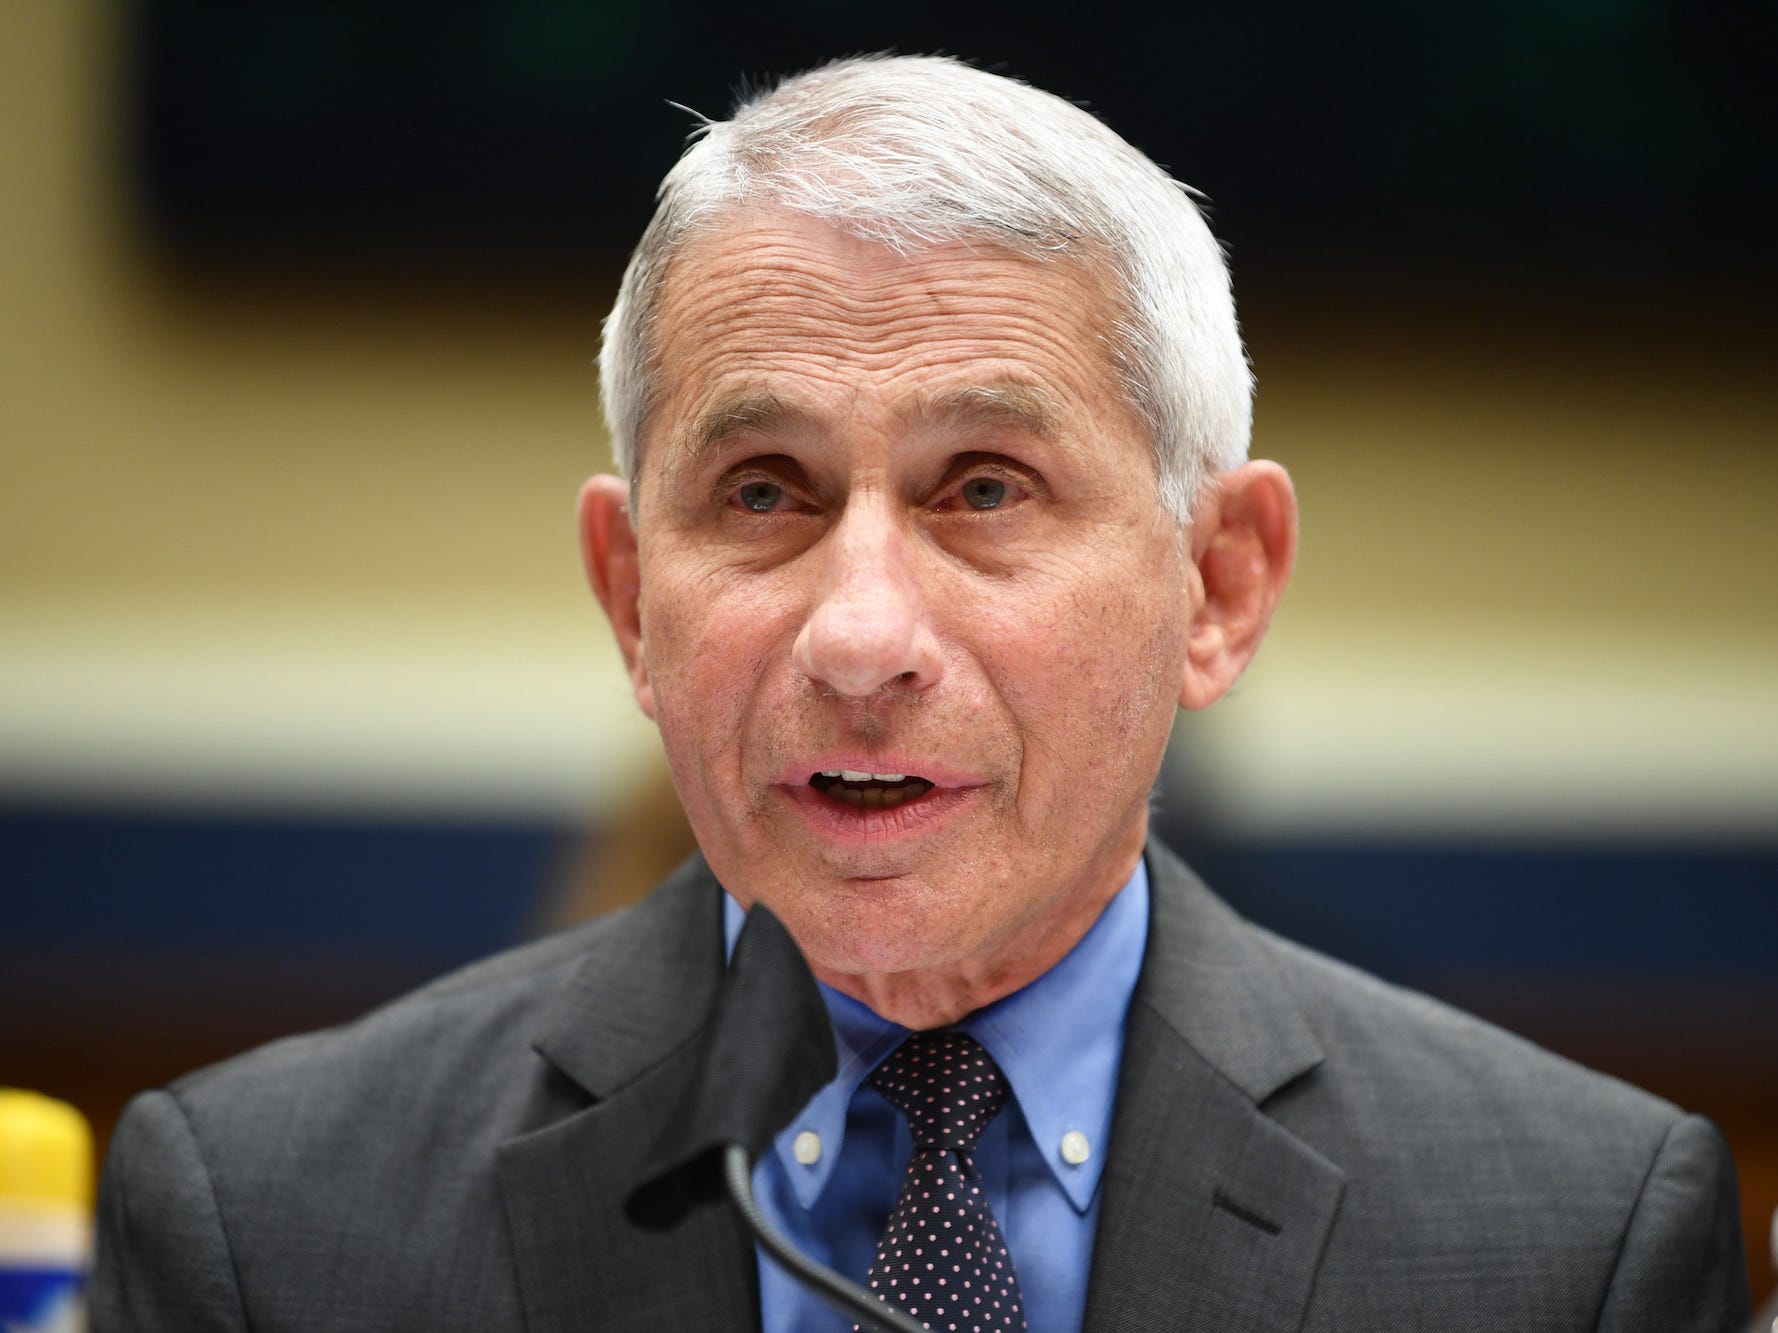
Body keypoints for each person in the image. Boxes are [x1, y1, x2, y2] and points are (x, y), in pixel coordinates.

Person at [91, 55, 1750, 1331]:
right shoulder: (270, 1222)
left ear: (1219, 582)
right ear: (628, 600)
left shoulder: (1570, 1237)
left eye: (984, 488)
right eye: (761, 491)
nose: (860, 634)